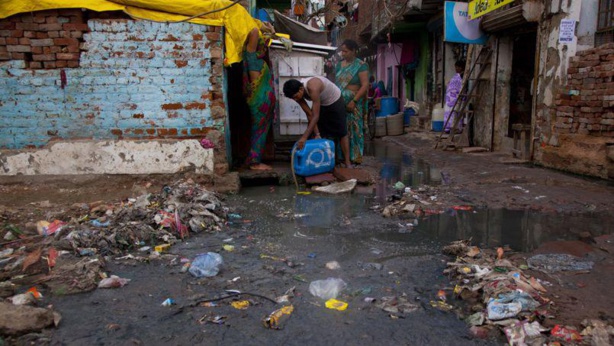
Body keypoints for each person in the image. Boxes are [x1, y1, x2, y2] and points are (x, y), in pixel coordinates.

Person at [282, 77, 352, 168]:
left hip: (334, 100)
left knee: (342, 132)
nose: (295, 100)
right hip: (322, 102)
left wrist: (304, 137)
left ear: (301, 89)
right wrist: (317, 133)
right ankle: (325, 162)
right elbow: (309, 114)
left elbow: (315, 116)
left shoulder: (313, 87)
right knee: (318, 133)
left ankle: (347, 163)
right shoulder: (298, 94)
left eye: (295, 97)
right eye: (293, 98)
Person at [243, 26, 276, 171]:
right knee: (259, 131)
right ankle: (254, 162)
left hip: (264, 103)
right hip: (259, 102)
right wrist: (260, 24)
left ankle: (254, 159)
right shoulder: (251, 55)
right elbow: (255, 31)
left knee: (260, 130)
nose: (264, 48)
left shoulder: (258, 59)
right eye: (262, 44)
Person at [335, 39, 369, 165]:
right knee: (341, 128)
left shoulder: (361, 65)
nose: (343, 54)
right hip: (339, 101)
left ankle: (355, 156)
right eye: (342, 51)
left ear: (354, 51)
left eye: (346, 51)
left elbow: (365, 85)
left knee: (354, 129)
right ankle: (341, 156)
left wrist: (354, 101)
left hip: (354, 102)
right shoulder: (338, 65)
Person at [444, 59, 465, 133]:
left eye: (457, 67)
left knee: (456, 112)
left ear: (461, 67)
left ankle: (456, 128)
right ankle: (448, 128)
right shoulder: (456, 76)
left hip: (456, 98)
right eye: (455, 67)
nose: (456, 69)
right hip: (450, 99)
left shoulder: (463, 76)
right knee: (449, 113)